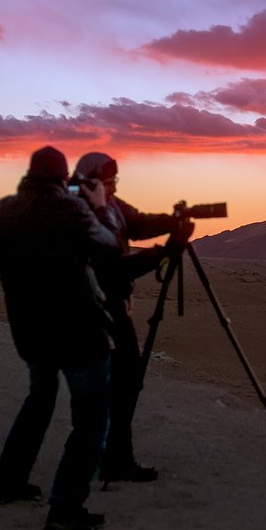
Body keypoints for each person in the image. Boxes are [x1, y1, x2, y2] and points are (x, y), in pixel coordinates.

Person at [0, 145, 120, 530]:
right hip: (78, 333)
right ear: (63, 179)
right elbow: (109, 244)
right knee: (91, 420)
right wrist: (99, 206)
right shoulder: (72, 210)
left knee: (39, 401)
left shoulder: (2, 210)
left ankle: (8, 483)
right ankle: (65, 506)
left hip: (30, 331)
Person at [72, 152, 187, 483]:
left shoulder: (110, 205)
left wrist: (172, 222)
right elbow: (113, 267)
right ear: (92, 181)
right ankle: (113, 459)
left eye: (114, 182)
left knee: (122, 382)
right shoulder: (82, 214)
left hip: (113, 306)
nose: (113, 187)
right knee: (118, 384)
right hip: (97, 309)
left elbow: (137, 223)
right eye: (109, 182)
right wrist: (162, 254)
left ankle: (113, 454)